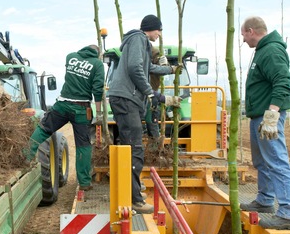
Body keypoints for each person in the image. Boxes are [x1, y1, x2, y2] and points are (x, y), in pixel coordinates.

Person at [108, 15, 179, 214]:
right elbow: (135, 68)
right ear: (151, 28)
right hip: (126, 98)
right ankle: (135, 200)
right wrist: (149, 91)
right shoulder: (139, 38)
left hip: (124, 98)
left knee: (130, 147)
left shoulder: (139, 43)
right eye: (159, 30)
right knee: (135, 148)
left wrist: (170, 70)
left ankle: (133, 190)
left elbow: (148, 68)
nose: (159, 34)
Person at [240, 16, 290, 230]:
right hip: (259, 116)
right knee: (262, 161)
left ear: (251, 31)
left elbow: (282, 81)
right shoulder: (262, 51)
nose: (244, 40)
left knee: (276, 160)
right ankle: (265, 200)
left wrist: (272, 115)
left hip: (268, 116)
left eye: (244, 35)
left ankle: (288, 213)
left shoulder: (272, 50)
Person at [29, 44, 105, 190]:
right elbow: (97, 89)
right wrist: (99, 113)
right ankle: (84, 182)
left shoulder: (71, 57)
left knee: (44, 129)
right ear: (98, 54)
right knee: (83, 145)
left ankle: (25, 156)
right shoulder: (97, 64)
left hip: (62, 105)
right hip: (81, 109)